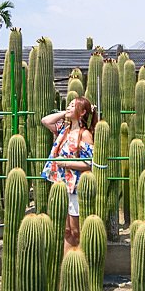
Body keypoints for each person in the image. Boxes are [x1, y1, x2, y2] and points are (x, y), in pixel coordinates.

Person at [41, 96, 97, 252]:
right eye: (69, 105)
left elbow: (89, 164)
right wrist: (64, 113)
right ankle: (67, 266)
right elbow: (46, 121)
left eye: (73, 106)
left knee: (76, 231)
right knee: (65, 230)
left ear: (83, 112)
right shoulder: (62, 130)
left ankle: (78, 264)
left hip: (75, 188)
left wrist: (64, 163)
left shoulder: (85, 134)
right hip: (60, 186)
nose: (69, 107)